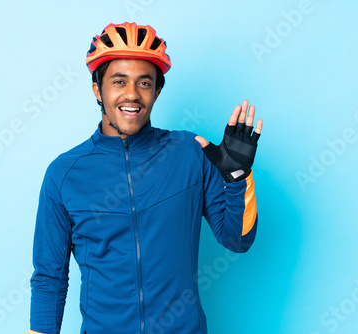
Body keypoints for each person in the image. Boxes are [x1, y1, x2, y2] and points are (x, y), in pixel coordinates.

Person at [29, 22, 263, 334]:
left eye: (143, 83)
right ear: (98, 89)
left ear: (157, 90)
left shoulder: (190, 154)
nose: (131, 95)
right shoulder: (64, 173)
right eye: (118, 81)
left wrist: (237, 176)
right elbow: (50, 277)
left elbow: (237, 239)